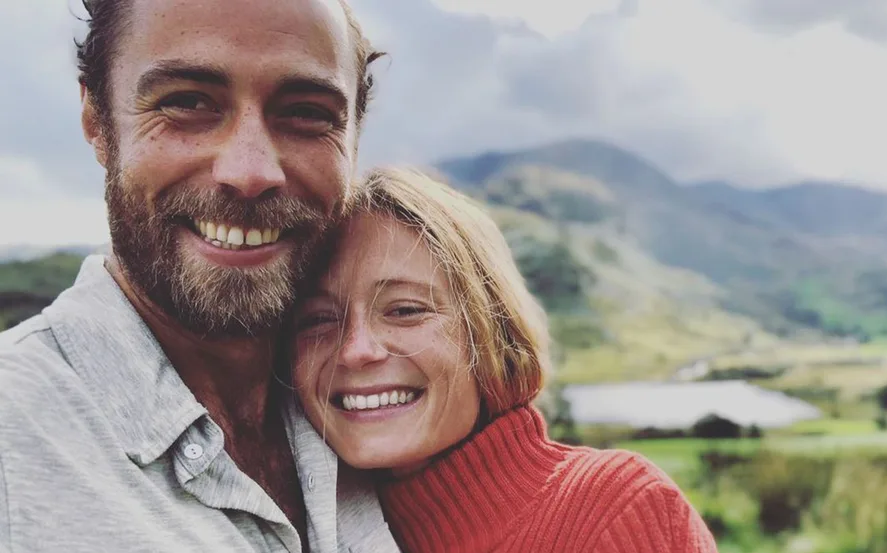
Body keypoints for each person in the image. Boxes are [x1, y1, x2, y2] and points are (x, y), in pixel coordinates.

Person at [0, 0, 400, 551]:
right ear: (97, 121)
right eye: (187, 102)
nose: (251, 171)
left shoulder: (384, 414)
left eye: (307, 112)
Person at [292, 167, 719, 553]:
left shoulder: (617, 510)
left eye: (405, 310)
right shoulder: (292, 533)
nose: (355, 350)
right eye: (318, 319)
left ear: (492, 331)